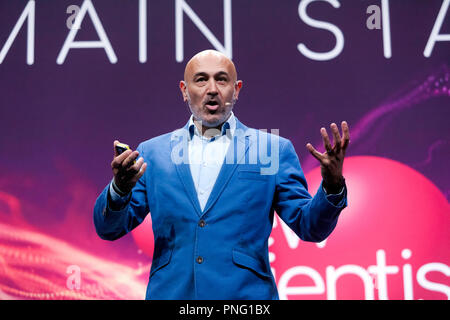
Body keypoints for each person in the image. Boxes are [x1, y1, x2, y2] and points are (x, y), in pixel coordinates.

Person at [93, 50, 350, 300]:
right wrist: (120, 189)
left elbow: (310, 227)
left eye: (222, 79)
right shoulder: (153, 152)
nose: (212, 88)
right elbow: (108, 229)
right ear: (184, 90)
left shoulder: (271, 150)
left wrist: (332, 185)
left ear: (236, 90)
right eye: (201, 79)